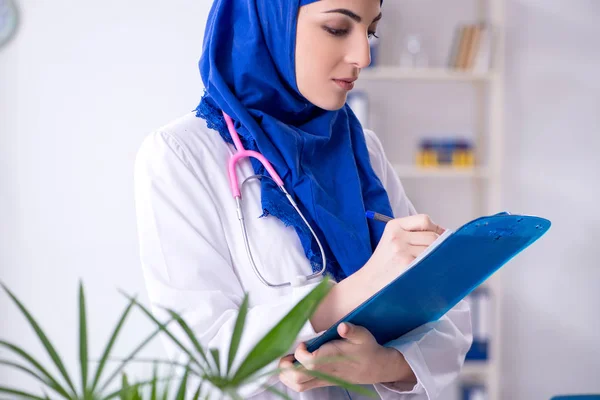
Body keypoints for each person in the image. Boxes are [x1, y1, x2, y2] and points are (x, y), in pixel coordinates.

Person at [134, 0, 472, 398]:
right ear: (269, 22)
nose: (363, 55)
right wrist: (356, 290)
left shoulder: (362, 149)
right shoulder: (182, 154)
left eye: (371, 31)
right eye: (336, 28)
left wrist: (381, 365)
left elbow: (447, 324)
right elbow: (203, 362)